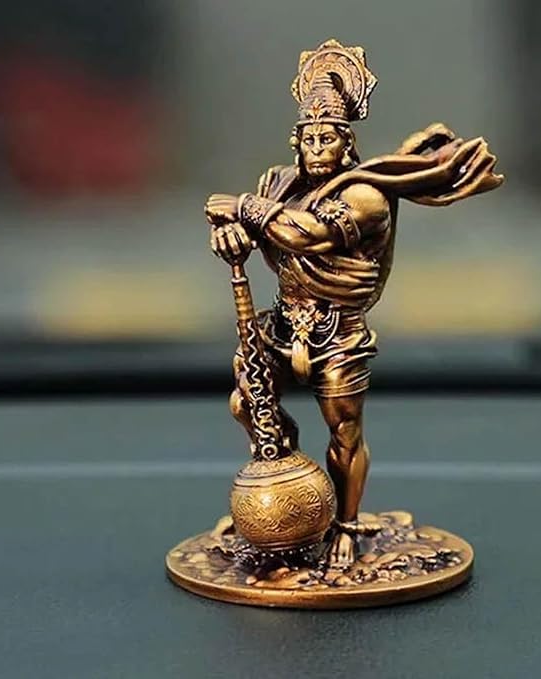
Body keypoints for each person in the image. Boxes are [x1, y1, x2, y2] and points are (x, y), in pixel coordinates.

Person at [205, 39, 502, 567]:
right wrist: (230, 236)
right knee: (247, 402)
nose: (317, 148)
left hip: (338, 331)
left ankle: (344, 522)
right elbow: (253, 235)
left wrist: (243, 208)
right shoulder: (278, 184)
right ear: (297, 143)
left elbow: (306, 235)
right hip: (282, 323)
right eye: (309, 138)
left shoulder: (365, 196)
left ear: (347, 144)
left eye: (328, 138)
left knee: (344, 431)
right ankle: (283, 492)